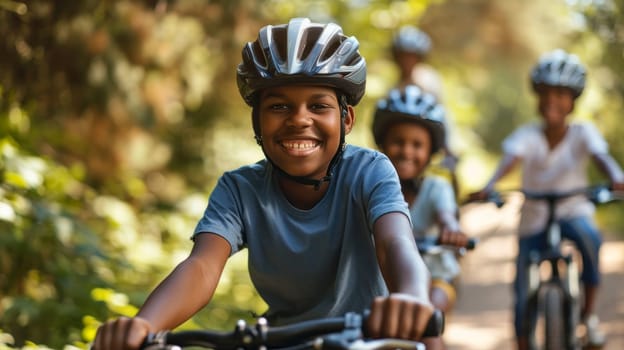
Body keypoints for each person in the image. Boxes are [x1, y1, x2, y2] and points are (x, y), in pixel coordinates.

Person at [92, 17, 437, 350]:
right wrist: (147, 324)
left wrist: (410, 296)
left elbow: (394, 244)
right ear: (256, 121)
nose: (299, 119)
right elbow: (202, 266)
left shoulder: (371, 171)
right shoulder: (239, 190)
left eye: (318, 105)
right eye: (278, 106)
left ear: (346, 119)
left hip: (370, 339)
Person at [469, 49, 624, 350]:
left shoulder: (583, 133)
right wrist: (489, 185)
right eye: (546, 93)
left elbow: (601, 157)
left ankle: (588, 316)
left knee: (590, 239)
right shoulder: (527, 135)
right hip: (534, 216)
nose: (552, 100)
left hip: (573, 208)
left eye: (561, 94)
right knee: (521, 289)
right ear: (537, 97)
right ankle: (523, 340)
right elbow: (510, 160)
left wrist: (617, 177)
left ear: (573, 101)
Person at [372, 85, 470, 350]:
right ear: (382, 144)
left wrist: (451, 228)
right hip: (382, 279)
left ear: (431, 151)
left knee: (424, 319)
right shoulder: (370, 187)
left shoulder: (436, 187)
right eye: (398, 142)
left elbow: (446, 215)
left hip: (437, 275)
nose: (406, 151)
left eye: (417, 145)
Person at [391, 25, 459, 197]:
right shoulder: (396, 86)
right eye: (402, 56)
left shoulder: (428, 80)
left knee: (446, 171)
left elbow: (441, 112)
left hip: (430, 133)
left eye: (411, 57)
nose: (406, 62)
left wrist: (447, 146)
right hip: (407, 138)